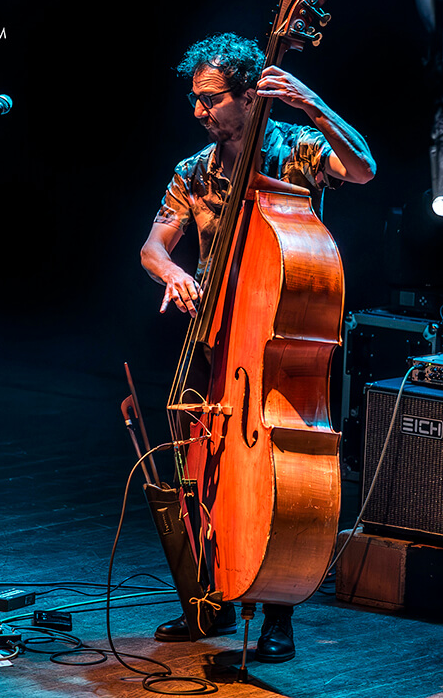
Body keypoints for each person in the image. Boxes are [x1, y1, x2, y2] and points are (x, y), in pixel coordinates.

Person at [140, 33, 375, 662]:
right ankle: (208, 596)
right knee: (200, 470)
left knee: (276, 475)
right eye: (195, 99)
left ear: (249, 96)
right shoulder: (193, 171)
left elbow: (362, 169)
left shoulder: (296, 149)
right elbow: (153, 248)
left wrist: (312, 103)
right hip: (215, 340)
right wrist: (174, 273)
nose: (199, 111)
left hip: (275, 344)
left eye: (211, 99)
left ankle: (276, 609)